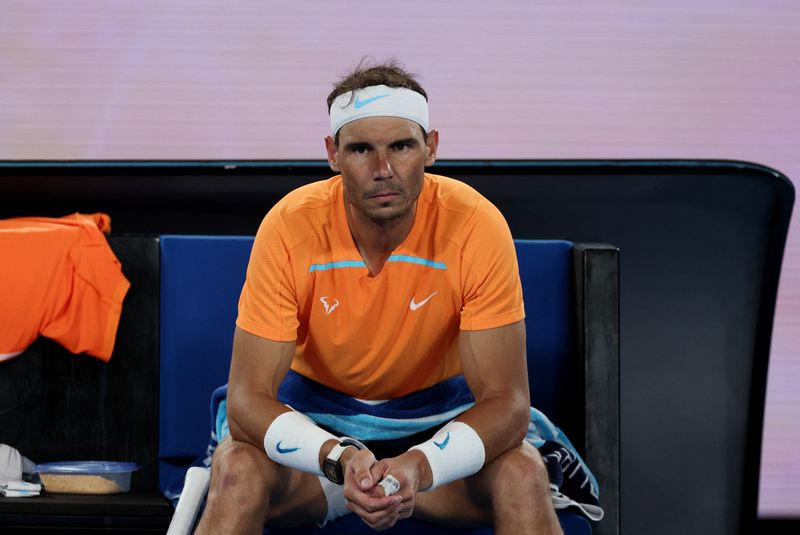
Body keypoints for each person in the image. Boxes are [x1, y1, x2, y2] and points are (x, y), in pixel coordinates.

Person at [194, 60, 563, 535]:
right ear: (333, 155)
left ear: (431, 148)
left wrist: (418, 465)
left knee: (524, 471)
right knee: (236, 469)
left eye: (402, 146)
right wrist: (338, 457)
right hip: (317, 441)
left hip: (437, 440)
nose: (383, 169)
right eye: (362, 149)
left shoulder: (476, 225)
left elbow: (508, 405)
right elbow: (247, 401)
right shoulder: (288, 226)